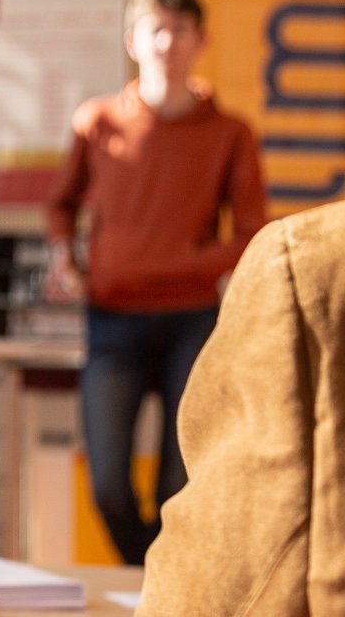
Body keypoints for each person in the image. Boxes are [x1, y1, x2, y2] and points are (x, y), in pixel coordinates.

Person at [42, 0, 267, 566]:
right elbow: (60, 205)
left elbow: (251, 232)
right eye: (156, 29)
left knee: (181, 486)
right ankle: (152, 580)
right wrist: (64, 254)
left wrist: (188, 264)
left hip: (194, 322)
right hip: (112, 320)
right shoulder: (97, 122)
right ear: (133, 41)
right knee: (109, 484)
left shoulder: (229, 133)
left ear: (202, 39)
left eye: (180, 30)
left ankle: (160, 593)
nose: (168, 42)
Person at [137, 202, 340, 615]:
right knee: (113, 486)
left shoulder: (312, 259)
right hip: (116, 309)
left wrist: (191, 266)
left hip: (187, 307)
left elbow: (238, 568)